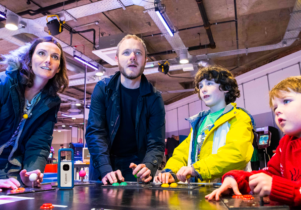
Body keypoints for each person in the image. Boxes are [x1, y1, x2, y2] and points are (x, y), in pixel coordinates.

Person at [205, 76, 301, 207]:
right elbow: (269, 173)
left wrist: (278, 188)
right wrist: (236, 179)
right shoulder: (286, 143)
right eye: (275, 107)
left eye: (286, 101)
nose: (277, 110)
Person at [86, 34, 165, 184]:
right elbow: (95, 132)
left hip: (136, 167)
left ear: (145, 60)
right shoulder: (103, 89)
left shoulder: (155, 98)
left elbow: (156, 142)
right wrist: (104, 168)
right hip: (104, 163)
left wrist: (149, 166)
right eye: (126, 52)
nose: (133, 57)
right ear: (117, 59)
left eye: (138, 53)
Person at [155, 66, 255, 184]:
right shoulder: (200, 122)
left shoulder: (239, 117)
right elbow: (182, 153)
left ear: (225, 88)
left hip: (230, 191)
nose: (203, 89)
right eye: (201, 86)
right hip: (201, 193)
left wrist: (197, 169)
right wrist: (170, 171)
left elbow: (237, 153)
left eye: (209, 83)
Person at [0, 37, 69, 191]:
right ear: (29, 60)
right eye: (42, 53)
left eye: (55, 57)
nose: (48, 60)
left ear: (58, 68)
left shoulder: (51, 102)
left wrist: (32, 173)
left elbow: (39, 144)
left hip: (13, 178)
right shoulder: (4, 84)